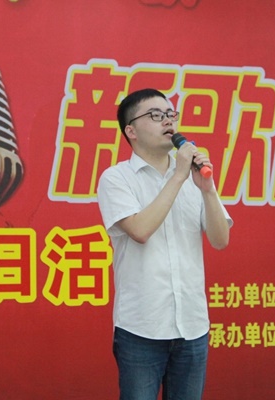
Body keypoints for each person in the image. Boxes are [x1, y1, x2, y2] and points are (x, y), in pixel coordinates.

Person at [97, 88, 233, 400]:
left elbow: (220, 240)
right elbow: (140, 230)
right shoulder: (116, 178)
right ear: (131, 131)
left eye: (171, 115)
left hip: (192, 325)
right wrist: (179, 176)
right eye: (156, 115)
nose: (168, 121)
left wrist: (207, 189)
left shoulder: (193, 177)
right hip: (142, 328)